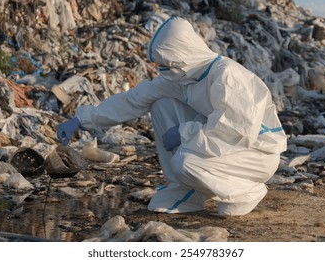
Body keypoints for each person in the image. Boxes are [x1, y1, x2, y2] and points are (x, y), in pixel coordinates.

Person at [57, 16, 287, 216]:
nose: (163, 70)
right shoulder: (182, 77)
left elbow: (236, 132)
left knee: (184, 161)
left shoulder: (227, 76)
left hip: (257, 153)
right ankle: (185, 192)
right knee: (160, 103)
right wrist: (82, 119)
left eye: (167, 63)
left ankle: (246, 191)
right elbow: (133, 100)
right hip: (221, 143)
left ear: (183, 54)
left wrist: (185, 133)